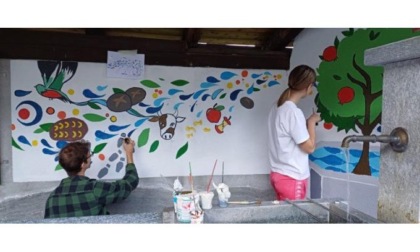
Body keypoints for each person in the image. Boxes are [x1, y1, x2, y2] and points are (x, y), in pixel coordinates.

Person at [44, 138, 139, 218]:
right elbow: (130, 181)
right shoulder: (95, 189)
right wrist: (129, 153)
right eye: (90, 155)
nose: (90, 158)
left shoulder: (52, 198)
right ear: (83, 164)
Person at [267, 65, 321, 201]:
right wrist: (311, 123)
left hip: (278, 174)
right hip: (292, 177)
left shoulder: (277, 106)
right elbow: (309, 148)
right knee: (295, 220)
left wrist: (307, 122)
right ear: (308, 86)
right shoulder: (293, 112)